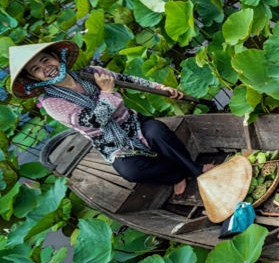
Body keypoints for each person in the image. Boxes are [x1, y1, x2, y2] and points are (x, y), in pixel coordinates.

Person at [8, 40, 205, 196]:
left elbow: (127, 80)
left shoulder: (91, 73)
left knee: (158, 132)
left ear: (56, 56)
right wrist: (107, 92)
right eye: (36, 69)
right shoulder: (52, 103)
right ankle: (176, 176)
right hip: (109, 141)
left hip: (132, 122)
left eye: (45, 60)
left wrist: (161, 88)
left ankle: (196, 169)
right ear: (34, 79)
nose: (45, 68)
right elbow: (95, 121)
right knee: (131, 172)